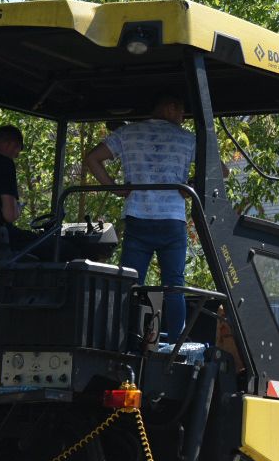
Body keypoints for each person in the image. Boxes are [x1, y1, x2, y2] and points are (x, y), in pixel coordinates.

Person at [82, 94, 198, 338]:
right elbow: (222, 171)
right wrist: (190, 186)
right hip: (172, 220)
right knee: (174, 285)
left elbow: (92, 158)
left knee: (130, 283)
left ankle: (122, 340)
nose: (183, 118)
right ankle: (176, 344)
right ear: (170, 107)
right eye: (181, 112)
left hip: (138, 217)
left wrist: (115, 188)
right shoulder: (188, 139)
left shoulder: (127, 133)